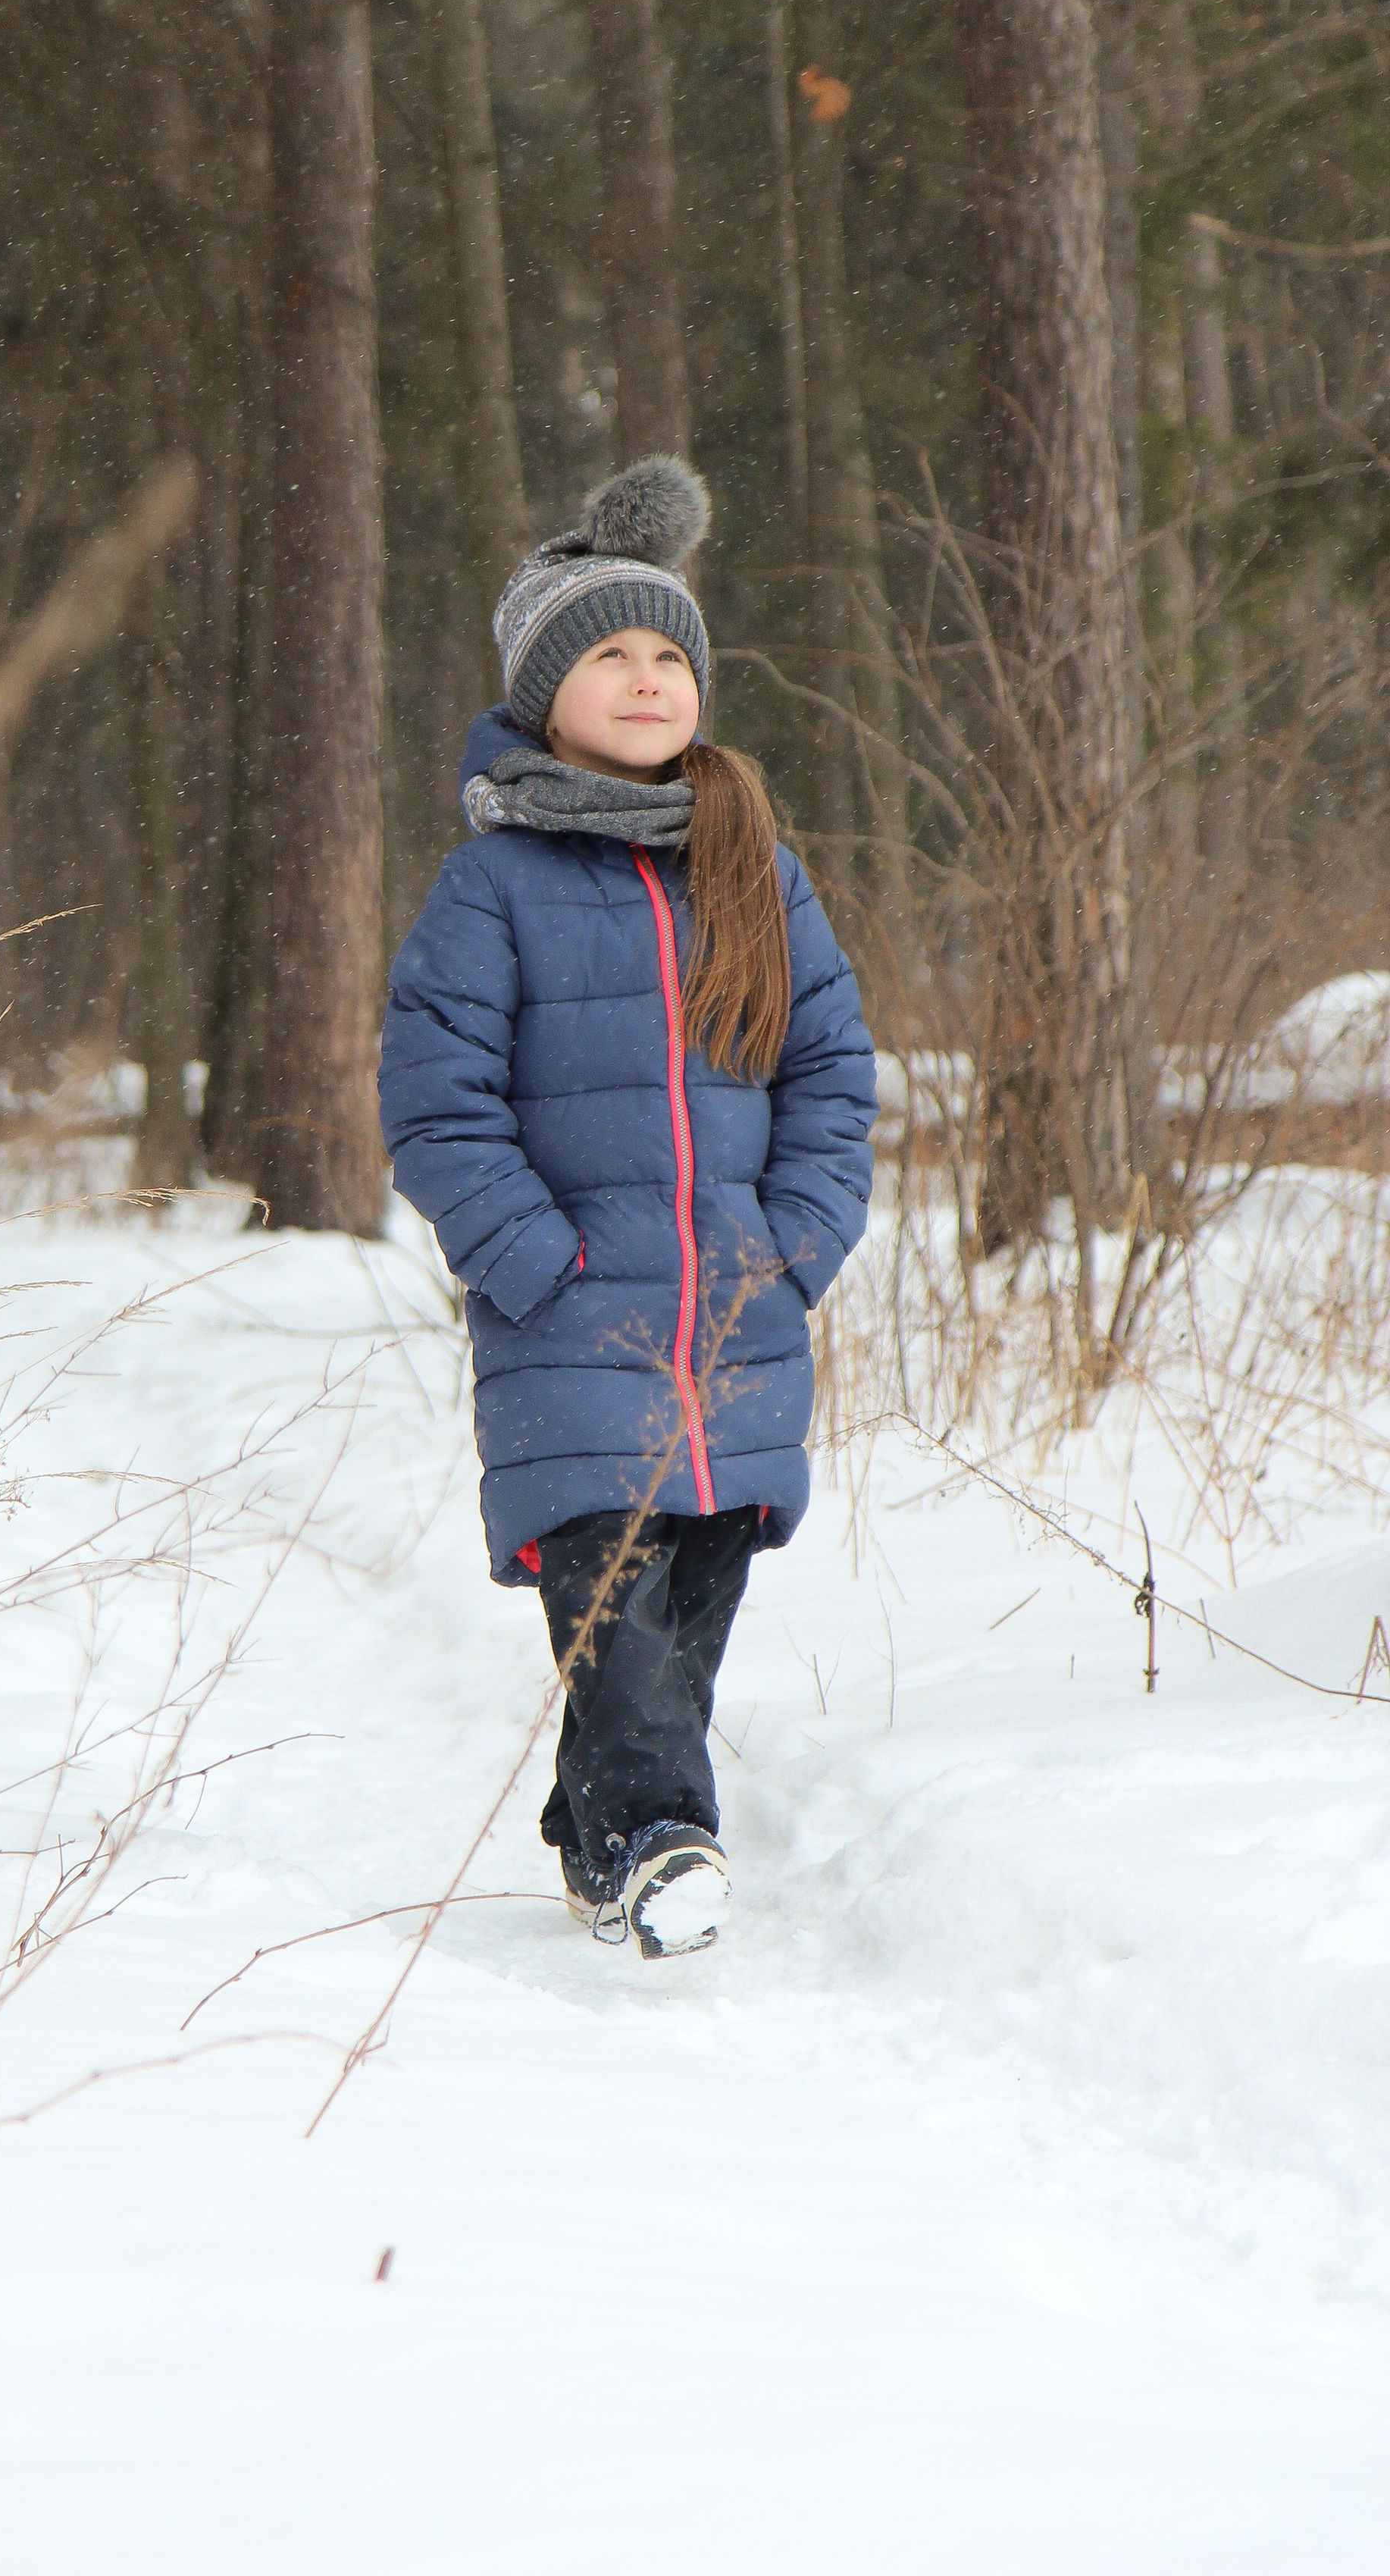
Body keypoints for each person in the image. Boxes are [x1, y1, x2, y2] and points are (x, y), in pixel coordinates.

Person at [378, 458, 877, 1960]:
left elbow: (831, 1069)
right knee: (610, 1595)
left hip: (733, 1310)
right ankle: (663, 1839)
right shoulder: (492, 889)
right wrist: (535, 1261)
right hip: (573, 1319)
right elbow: (433, 1105)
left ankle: (597, 1831)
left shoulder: (754, 870)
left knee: (692, 1600)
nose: (646, 679)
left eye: (667, 653)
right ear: (544, 693)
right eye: (607, 654)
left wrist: (793, 1245)